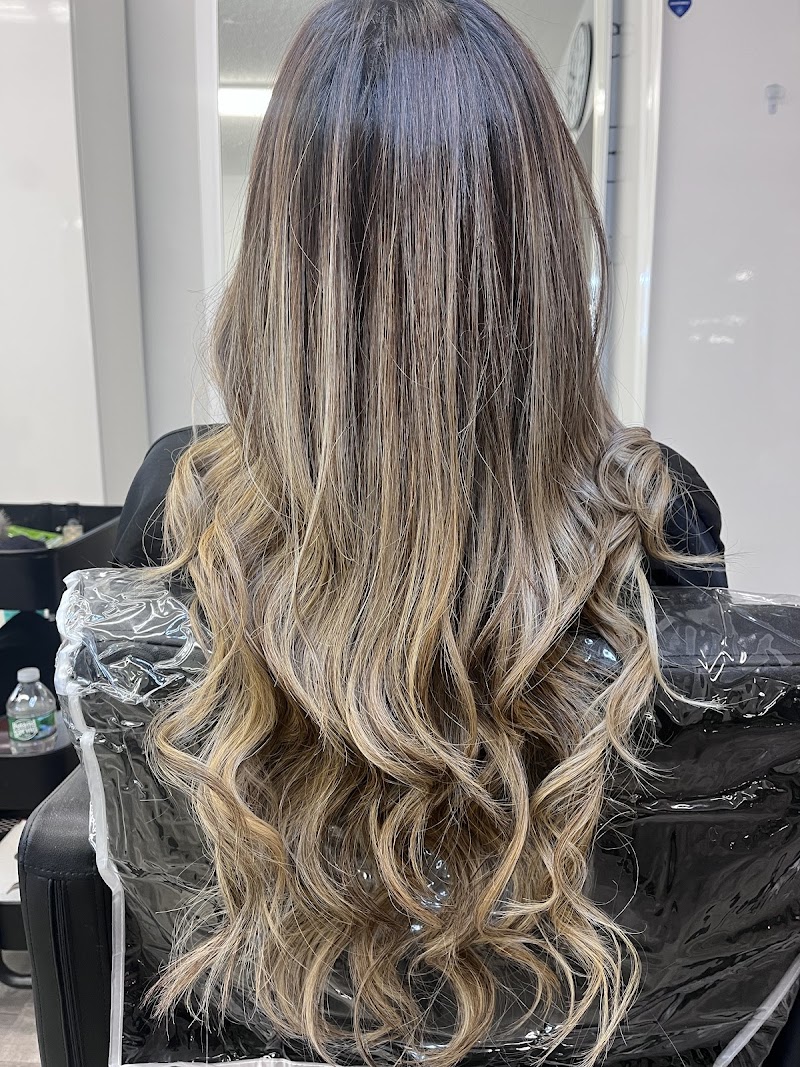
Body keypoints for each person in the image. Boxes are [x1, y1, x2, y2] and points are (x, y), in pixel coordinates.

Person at [114, 1, 726, 1063]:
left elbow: (162, 883)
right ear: (542, 252)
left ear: (284, 257)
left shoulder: (186, 502)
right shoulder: (656, 516)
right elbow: (680, 896)